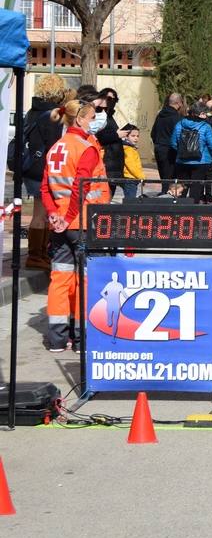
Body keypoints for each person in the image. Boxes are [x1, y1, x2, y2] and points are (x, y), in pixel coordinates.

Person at [40, 100, 111, 352]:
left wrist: (54, 215)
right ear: (79, 120)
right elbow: (80, 189)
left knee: (59, 279)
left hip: (59, 223)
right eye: (92, 117)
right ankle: (82, 339)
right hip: (81, 222)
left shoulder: (55, 148)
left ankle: (57, 338)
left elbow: (45, 189)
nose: (95, 122)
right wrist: (69, 217)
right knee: (85, 281)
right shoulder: (87, 148)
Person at [18, 73, 68, 270]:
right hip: (42, 169)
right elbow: (54, 145)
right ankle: (36, 255)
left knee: (43, 212)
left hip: (31, 168)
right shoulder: (52, 115)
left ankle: (40, 253)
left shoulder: (33, 111)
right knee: (41, 213)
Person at [170, 101, 212, 202]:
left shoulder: (179, 124)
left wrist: (181, 152)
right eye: (204, 113)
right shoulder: (205, 126)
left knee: (181, 189)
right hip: (201, 162)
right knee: (196, 190)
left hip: (182, 162)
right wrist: (211, 156)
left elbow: (173, 143)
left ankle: (180, 212)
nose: (206, 115)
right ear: (199, 114)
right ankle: (192, 213)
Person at [151, 92, 185, 192]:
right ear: (179, 103)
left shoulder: (160, 116)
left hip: (159, 149)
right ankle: (167, 200)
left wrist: (158, 143)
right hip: (171, 151)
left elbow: (153, 133)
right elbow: (180, 137)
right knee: (171, 178)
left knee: (164, 177)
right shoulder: (177, 118)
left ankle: (164, 195)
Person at [121, 125, 145, 200]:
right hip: (130, 178)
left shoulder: (131, 148)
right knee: (130, 200)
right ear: (126, 136)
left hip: (132, 178)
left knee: (130, 198)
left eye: (137, 136)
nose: (136, 138)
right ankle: (127, 211)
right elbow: (132, 166)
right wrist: (142, 177)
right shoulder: (128, 149)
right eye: (133, 136)